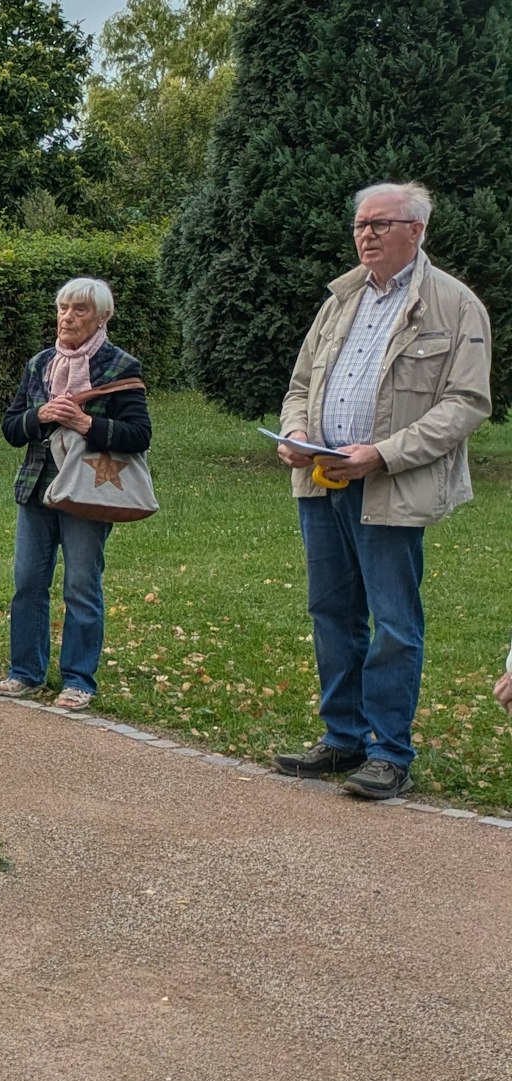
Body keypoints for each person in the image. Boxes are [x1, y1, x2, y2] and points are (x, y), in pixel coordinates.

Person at [270, 181, 492, 800]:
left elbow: (467, 404)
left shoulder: (454, 304)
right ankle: (343, 739)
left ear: (415, 231)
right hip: (322, 481)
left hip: (390, 487)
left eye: (379, 224)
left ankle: (389, 751)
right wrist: (295, 430)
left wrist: (382, 455)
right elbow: (300, 382)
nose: (365, 234)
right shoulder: (340, 299)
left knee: (394, 622)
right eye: (360, 225)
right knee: (332, 613)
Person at [0, 277, 151, 712]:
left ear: (102, 317)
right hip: (37, 487)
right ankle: (25, 672)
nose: (68, 317)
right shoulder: (40, 363)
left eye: (80, 310)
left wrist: (86, 425)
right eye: (63, 308)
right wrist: (40, 414)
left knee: (81, 585)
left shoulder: (119, 367)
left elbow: (139, 436)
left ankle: (79, 679)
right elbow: (10, 427)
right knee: (27, 583)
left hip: (86, 492)